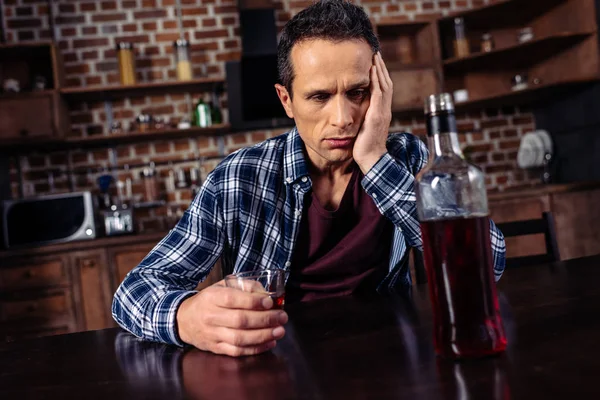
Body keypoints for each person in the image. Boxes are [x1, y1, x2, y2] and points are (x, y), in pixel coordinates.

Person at [113, 0, 506, 357]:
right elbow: (133, 292)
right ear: (287, 100)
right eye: (319, 97)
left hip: (390, 355)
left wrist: (373, 158)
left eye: (359, 92)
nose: (343, 118)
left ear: (381, 90)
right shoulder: (238, 177)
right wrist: (185, 317)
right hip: (277, 361)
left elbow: (489, 264)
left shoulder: (407, 159)